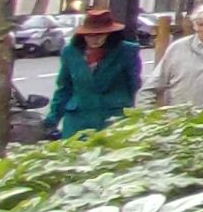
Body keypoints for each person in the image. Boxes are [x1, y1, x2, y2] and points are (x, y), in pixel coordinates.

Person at [48, 8, 141, 138]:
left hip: (113, 118)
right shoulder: (70, 52)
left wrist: (129, 111)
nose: (94, 39)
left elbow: (134, 84)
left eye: (100, 34)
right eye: (89, 35)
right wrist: (52, 119)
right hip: (77, 121)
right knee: (73, 149)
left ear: (109, 34)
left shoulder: (127, 51)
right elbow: (64, 88)